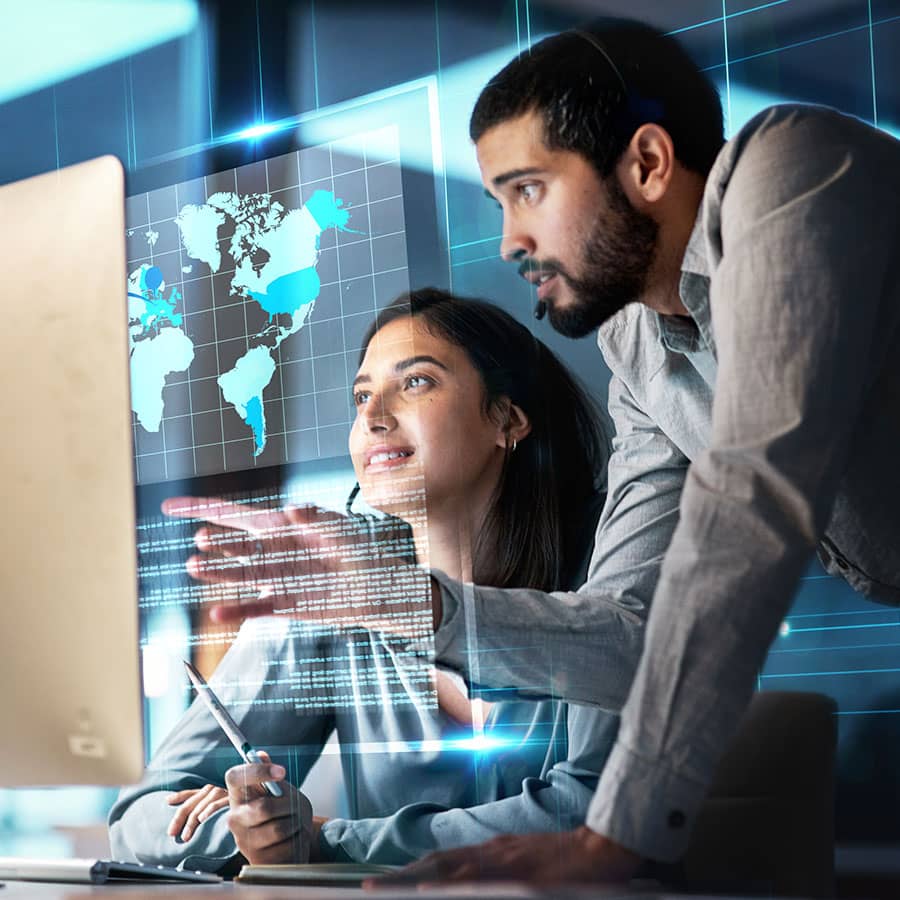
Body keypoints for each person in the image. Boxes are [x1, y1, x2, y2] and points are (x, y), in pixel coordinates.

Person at [166, 18, 900, 886]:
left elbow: (751, 499)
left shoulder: (793, 169)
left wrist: (612, 836)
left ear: (649, 164)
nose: (511, 240)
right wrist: (406, 601)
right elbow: (632, 632)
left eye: (527, 190)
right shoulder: (639, 350)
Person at [107, 289, 619, 870]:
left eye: (417, 382)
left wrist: (327, 840)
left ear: (508, 417)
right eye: (361, 395)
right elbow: (139, 818)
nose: (373, 418)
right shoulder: (333, 584)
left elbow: (591, 815)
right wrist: (251, 827)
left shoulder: (611, 563)